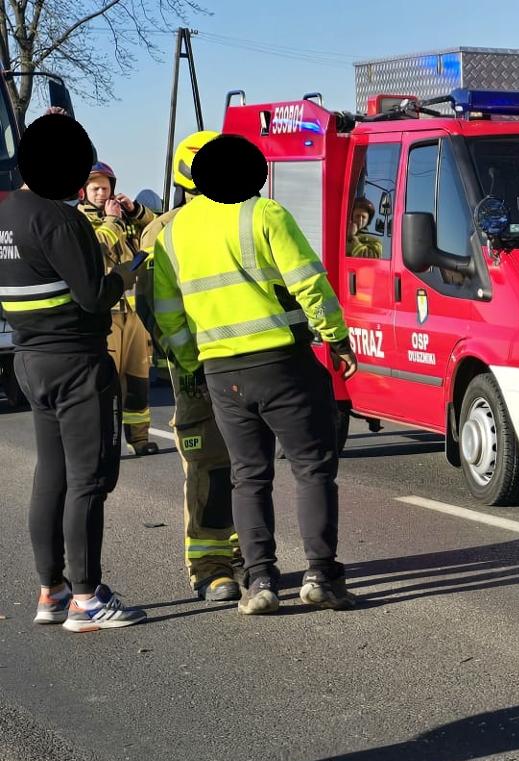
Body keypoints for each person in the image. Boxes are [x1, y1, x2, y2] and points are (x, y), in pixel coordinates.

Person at [151, 134, 360, 615]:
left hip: (222, 372)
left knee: (247, 476)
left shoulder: (174, 234)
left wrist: (193, 361)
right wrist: (336, 338)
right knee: (312, 468)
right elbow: (309, 282)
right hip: (282, 364)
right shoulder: (264, 213)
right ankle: (321, 576)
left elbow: (168, 313)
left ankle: (260, 581)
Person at [0, 113, 147, 632]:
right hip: (78, 362)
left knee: (52, 475)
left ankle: (52, 590)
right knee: (89, 478)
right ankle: (86, 598)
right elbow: (93, 296)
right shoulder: (61, 221)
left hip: (29, 359)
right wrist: (127, 272)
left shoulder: (5, 214)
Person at [138, 130, 243, 602]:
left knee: (245, 465)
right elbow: (152, 307)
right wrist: (188, 363)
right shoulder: (164, 230)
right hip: (198, 371)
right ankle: (211, 566)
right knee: (211, 468)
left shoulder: (244, 217)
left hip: (242, 366)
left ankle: (245, 553)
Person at [76, 160, 160, 456]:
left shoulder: (123, 217)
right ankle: (102, 444)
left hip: (134, 314)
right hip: (105, 315)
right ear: (84, 192)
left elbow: (158, 227)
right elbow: (96, 249)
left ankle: (139, 439)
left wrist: (135, 211)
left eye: (106, 188)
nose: (102, 193)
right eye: (95, 189)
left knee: (138, 379)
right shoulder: (79, 221)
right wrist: (112, 221)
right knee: (106, 382)